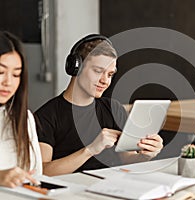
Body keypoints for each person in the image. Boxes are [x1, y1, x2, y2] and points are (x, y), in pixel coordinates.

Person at [34, 34, 164, 176]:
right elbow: (43, 171)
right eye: (98, 71)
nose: (105, 81)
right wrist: (90, 150)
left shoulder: (114, 108)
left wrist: (145, 155)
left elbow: (127, 159)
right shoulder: (46, 116)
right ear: (76, 67)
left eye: (110, 74)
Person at [0, 31, 42, 187]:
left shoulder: (24, 117)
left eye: (16, 74)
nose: (8, 82)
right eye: (1, 72)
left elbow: (36, 174)